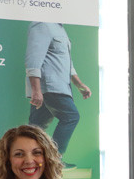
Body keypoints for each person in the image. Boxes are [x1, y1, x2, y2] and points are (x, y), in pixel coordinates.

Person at [25, 22, 92, 168]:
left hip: (59, 86)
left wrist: (80, 85)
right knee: (71, 116)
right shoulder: (42, 25)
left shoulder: (60, 28)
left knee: (37, 127)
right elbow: (33, 60)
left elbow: (68, 64)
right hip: (49, 86)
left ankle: (30, 161)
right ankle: (54, 158)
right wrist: (36, 90)